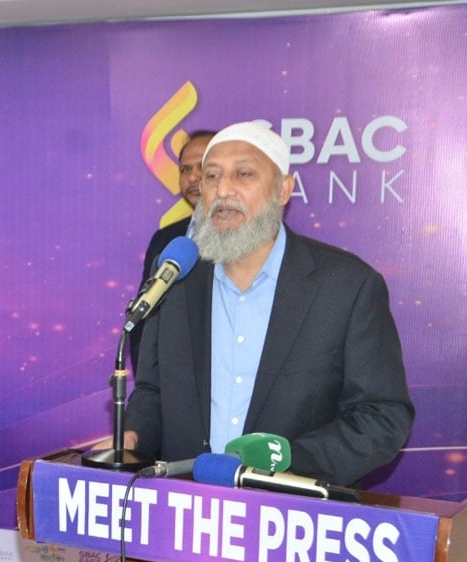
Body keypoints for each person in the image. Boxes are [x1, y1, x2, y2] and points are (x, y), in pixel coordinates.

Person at [123, 121, 414, 486]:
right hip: (187, 504)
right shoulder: (176, 277)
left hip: (292, 509)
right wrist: (132, 438)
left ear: (283, 190)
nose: (222, 190)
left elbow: (383, 416)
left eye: (243, 174)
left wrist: (286, 460)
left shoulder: (347, 286)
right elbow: (152, 391)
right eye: (212, 176)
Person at [128, 129, 216, 372]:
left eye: (203, 167)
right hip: (171, 379)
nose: (193, 177)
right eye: (185, 169)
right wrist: (150, 382)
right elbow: (144, 321)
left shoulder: (250, 240)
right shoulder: (166, 239)